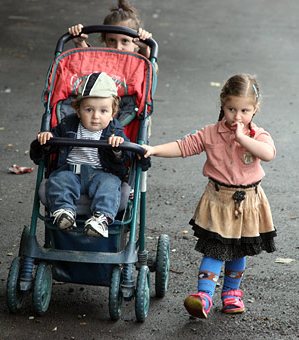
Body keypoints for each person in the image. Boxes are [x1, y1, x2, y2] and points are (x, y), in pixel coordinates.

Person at [142, 74, 277, 318]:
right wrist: (154, 150)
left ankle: (231, 294)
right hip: (218, 201)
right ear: (222, 105)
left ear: (255, 109)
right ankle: (203, 296)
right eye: (231, 109)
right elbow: (183, 146)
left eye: (244, 110)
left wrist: (242, 138)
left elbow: (268, 154)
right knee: (215, 249)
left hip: (249, 202)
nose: (237, 116)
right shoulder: (210, 133)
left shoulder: (258, 135)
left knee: (239, 249)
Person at [37, 72, 132, 238]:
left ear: (113, 113)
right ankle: (64, 212)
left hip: (102, 173)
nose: (96, 116)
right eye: (89, 110)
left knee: (110, 185)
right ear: (78, 111)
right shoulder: (67, 126)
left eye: (103, 111)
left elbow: (128, 157)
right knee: (60, 180)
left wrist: (119, 148)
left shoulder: (115, 132)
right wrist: (46, 143)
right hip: (70, 171)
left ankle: (101, 219)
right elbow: (40, 156)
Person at [68, 0, 153, 59]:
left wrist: (145, 48)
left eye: (125, 41)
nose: (118, 47)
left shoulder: (137, 64)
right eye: (112, 40)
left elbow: (149, 72)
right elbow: (88, 62)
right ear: (104, 40)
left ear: (136, 43)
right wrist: (79, 43)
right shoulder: (102, 60)